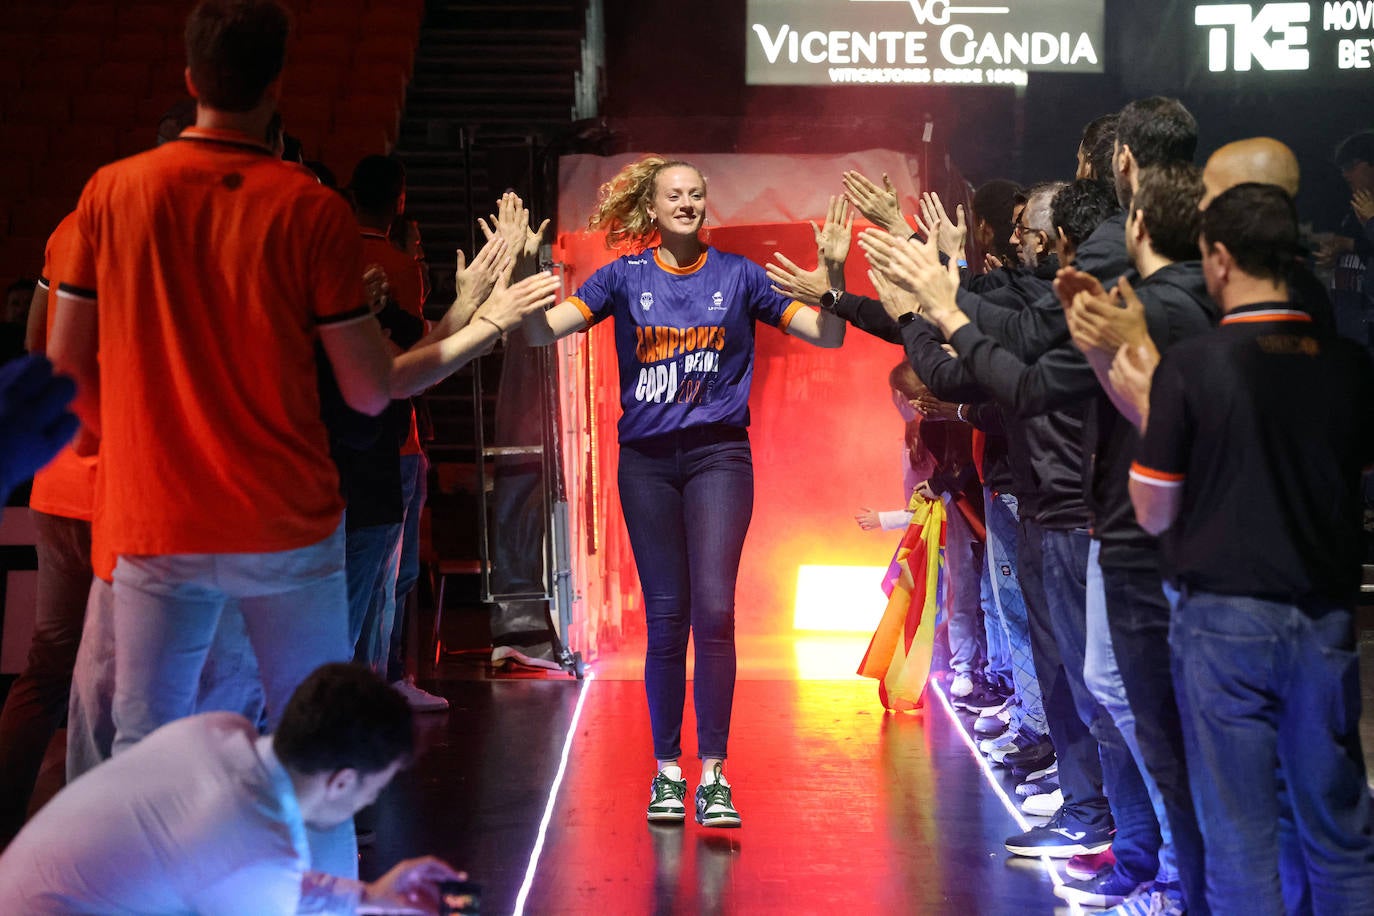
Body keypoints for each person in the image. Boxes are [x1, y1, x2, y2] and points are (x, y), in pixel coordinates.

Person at [47, 0, 559, 877]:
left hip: (155, 520)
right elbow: (373, 388)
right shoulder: (308, 209)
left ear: (188, 76)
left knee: (140, 756)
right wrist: (490, 322)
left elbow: (63, 373)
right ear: (279, 84)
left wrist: (133, 446)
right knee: (317, 753)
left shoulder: (112, 192)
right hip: (286, 526)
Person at [521, 156, 846, 827]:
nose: (688, 203)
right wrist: (527, 279)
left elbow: (830, 333)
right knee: (667, 617)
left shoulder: (738, 276)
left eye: (697, 194)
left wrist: (833, 277)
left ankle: (715, 776)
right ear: (655, 206)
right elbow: (539, 333)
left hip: (719, 458)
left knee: (716, 611)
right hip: (646, 464)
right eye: (676, 194)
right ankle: (667, 771)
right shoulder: (623, 277)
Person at [1130, 182, 1374, 914]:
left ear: (1221, 258)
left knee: (1241, 839)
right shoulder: (1349, 363)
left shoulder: (1195, 364)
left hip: (1223, 620)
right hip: (1327, 618)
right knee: (1338, 830)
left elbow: (1152, 506)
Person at [0, 663, 464, 915]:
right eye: (374, 787)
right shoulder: (256, 843)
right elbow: (253, 869)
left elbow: (243, 872)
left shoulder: (220, 732)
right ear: (342, 780)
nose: (368, 802)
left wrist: (366, 897)